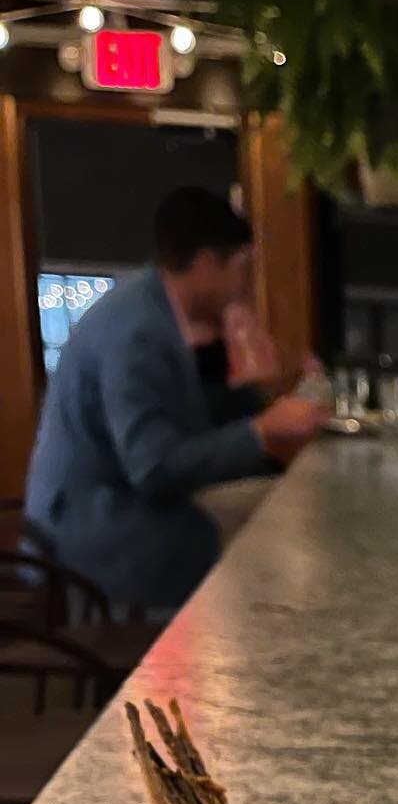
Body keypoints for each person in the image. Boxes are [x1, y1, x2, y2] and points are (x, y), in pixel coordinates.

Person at [24, 186, 329, 610]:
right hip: (86, 528)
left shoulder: (154, 311)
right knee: (270, 547)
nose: (245, 288)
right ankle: (235, 667)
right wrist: (262, 432)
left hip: (104, 508)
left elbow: (190, 427)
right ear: (206, 264)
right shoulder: (139, 331)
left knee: (268, 522)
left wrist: (261, 399)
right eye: (242, 269)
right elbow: (153, 467)